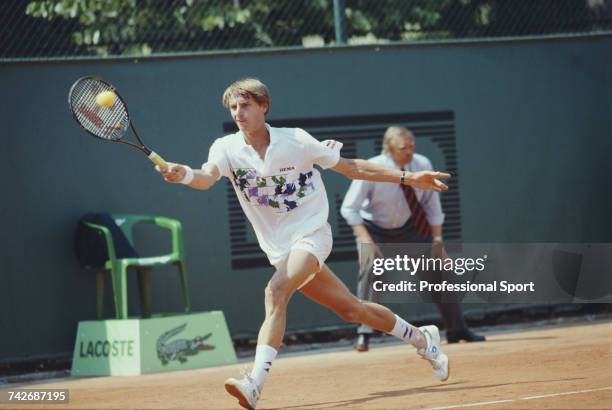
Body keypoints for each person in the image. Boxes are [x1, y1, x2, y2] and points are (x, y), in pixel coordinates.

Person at [157, 78, 451, 410]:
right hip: (280, 249)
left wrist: (408, 177)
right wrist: (184, 174)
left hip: (312, 233)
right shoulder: (225, 148)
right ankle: (422, 338)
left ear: (264, 106)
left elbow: (350, 168)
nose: (238, 113)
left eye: (246, 105)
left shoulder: (296, 141)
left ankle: (254, 382)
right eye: (233, 107)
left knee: (276, 291)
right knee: (352, 309)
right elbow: (206, 177)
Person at [340, 126, 486, 352]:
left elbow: (432, 205)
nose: (409, 152)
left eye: (412, 147)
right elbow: (349, 208)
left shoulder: (422, 164)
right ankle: (365, 333)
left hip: (411, 228)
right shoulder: (373, 167)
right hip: (375, 229)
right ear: (388, 149)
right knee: (371, 270)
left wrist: (437, 241)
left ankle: (457, 330)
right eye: (403, 148)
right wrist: (365, 241)